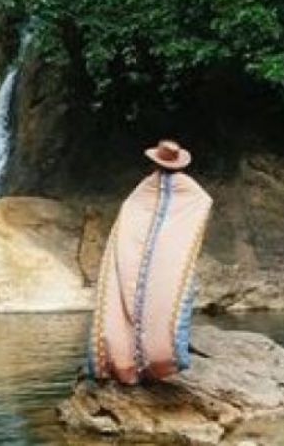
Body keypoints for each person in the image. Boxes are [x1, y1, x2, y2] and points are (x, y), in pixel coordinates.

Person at [87, 139, 213, 384]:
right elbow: (201, 205)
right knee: (166, 300)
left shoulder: (145, 187)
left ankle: (125, 364)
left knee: (129, 304)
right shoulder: (189, 189)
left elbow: (128, 218)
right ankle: (158, 361)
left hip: (135, 255)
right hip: (170, 260)